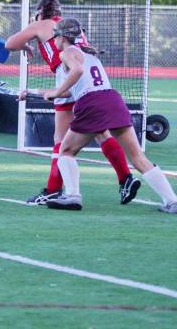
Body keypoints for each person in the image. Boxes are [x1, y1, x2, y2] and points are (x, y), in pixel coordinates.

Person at [5, 0, 141, 205]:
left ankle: (53, 189)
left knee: (60, 140)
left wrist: (26, 46)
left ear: (40, 13)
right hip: (90, 81)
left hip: (67, 76)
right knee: (101, 133)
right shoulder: (70, 26)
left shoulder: (41, 24)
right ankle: (125, 177)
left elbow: (10, 44)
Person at [40, 18, 177, 213]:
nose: (53, 41)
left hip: (92, 104)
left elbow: (77, 72)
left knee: (66, 151)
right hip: (112, 100)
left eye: (54, 37)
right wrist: (45, 92)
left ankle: (72, 196)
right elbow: (74, 88)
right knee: (138, 158)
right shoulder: (86, 53)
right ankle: (172, 200)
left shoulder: (66, 52)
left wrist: (55, 92)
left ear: (61, 37)